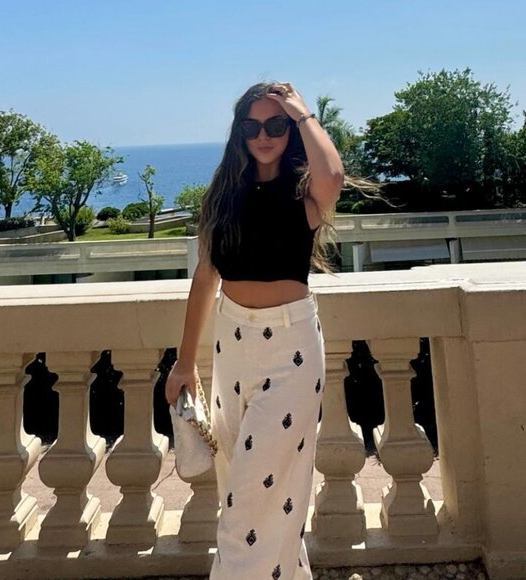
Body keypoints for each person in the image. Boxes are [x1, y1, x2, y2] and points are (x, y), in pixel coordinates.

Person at [165, 81, 344, 580]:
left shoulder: (306, 194)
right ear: (239, 132)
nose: (264, 135)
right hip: (232, 346)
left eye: (276, 124)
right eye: (252, 126)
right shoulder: (223, 196)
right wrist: (184, 363)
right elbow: (205, 279)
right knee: (250, 492)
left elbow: (333, 174)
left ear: (291, 129)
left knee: (249, 500)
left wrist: (301, 111)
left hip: (291, 349)